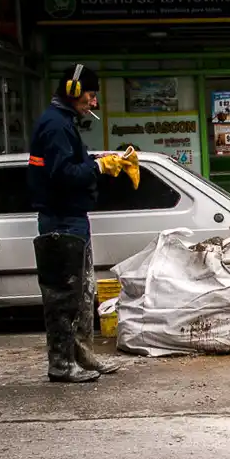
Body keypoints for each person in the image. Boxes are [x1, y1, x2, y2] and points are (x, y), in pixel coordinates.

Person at [28, 64, 139, 383]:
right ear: (73, 91)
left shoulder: (62, 123)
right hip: (60, 221)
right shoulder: (56, 126)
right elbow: (63, 175)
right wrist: (100, 168)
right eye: (91, 95)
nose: (93, 103)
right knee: (65, 297)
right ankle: (62, 365)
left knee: (82, 294)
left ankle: (82, 356)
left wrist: (102, 163)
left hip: (71, 219)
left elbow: (70, 166)